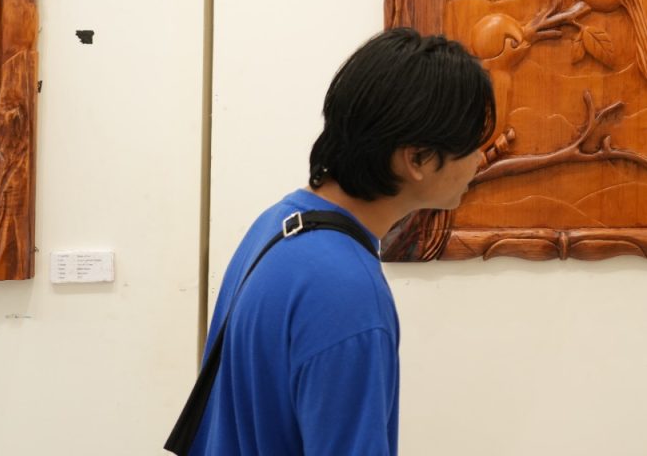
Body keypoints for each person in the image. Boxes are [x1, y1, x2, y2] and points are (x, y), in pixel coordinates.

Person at [189, 27, 494, 455]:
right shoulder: (347, 291)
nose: (480, 158)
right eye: (472, 145)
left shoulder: (278, 223)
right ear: (417, 159)